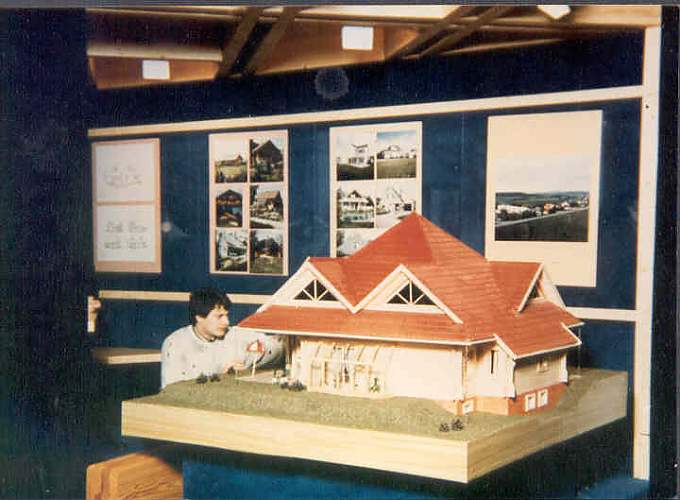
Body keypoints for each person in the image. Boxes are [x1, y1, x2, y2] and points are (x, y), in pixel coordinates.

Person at [160, 287, 283, 389]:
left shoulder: (235, 335)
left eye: (226, 315)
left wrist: (246, 362)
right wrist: (221, 378)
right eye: (219, 317)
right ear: (199, 317)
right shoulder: (175, 344)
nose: (226, 322)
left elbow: (277, 347)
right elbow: (173, 391)